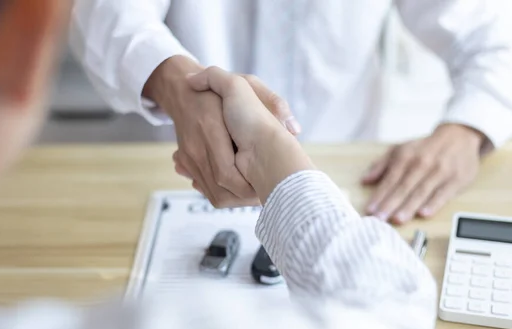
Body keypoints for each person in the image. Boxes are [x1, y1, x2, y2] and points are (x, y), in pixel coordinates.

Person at [0, 0, 438, 329]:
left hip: (350, 152)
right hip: (168, 166)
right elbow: (392, 313)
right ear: (21, 45)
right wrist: (279, 166)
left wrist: (471, 127)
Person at [70, 0, 512, 224]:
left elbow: (491, 33)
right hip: (173, 171)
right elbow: (102, 12)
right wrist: (178, 85)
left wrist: (468, 129)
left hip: (351, 179)